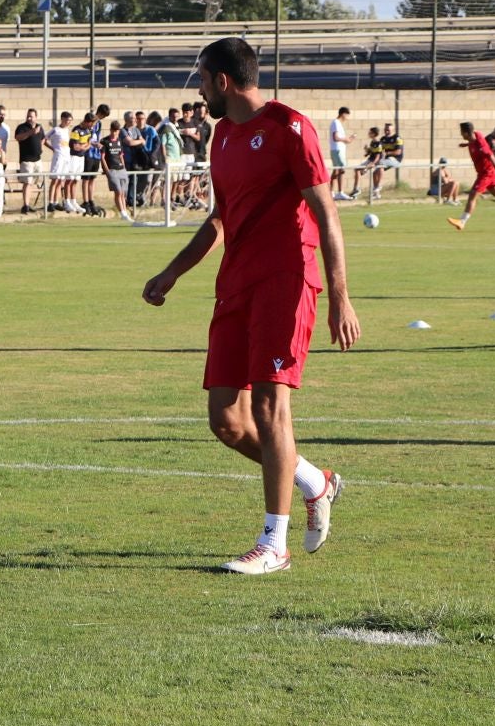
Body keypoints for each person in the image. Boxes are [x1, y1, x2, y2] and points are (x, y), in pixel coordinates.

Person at [141, 38, 358, 575]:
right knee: (226, 421)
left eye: (201, 79)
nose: (197, 90)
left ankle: (273, 543)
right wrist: (172, 272)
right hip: (235, 282)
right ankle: (316, 482)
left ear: (222, 81)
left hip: (287, 280)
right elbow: (219, 218)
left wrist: (340, 295)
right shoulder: (222, 136)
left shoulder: (290, 127)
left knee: (269, 407)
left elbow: (326, 213)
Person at [447, 122, 495, 230]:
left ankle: (462, 221)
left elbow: (492, 158)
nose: (461, 135)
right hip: (487, 173)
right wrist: (467, 144)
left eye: (461, 133)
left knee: (473, 195)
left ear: (466, 133)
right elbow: (475, 142)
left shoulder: (481, 146)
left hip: (486, 174)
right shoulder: (476, 135)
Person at [14, 109, 46, 213]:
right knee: (27, 182)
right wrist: (31, 132)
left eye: (31, 116)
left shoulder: (39, 127)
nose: (29, 118)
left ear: (36, 117)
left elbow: (43, 138)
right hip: (26, 160)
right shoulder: (22, 127)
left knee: (32, 182)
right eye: (28, 116)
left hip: (37, 160)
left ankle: (28, 203)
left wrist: (41, 147)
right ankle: (25, 205)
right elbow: (18, 137)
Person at [328, 107, 352, 197]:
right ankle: (340, 192)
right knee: (341, 170)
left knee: (336, 170)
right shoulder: (336, 123)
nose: (347, 118)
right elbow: (336, 137)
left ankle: (331, 191)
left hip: (337, 150)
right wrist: (346, 139)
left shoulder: (337, 123)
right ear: (343, 114)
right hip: (337, 150)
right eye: (347, 115)